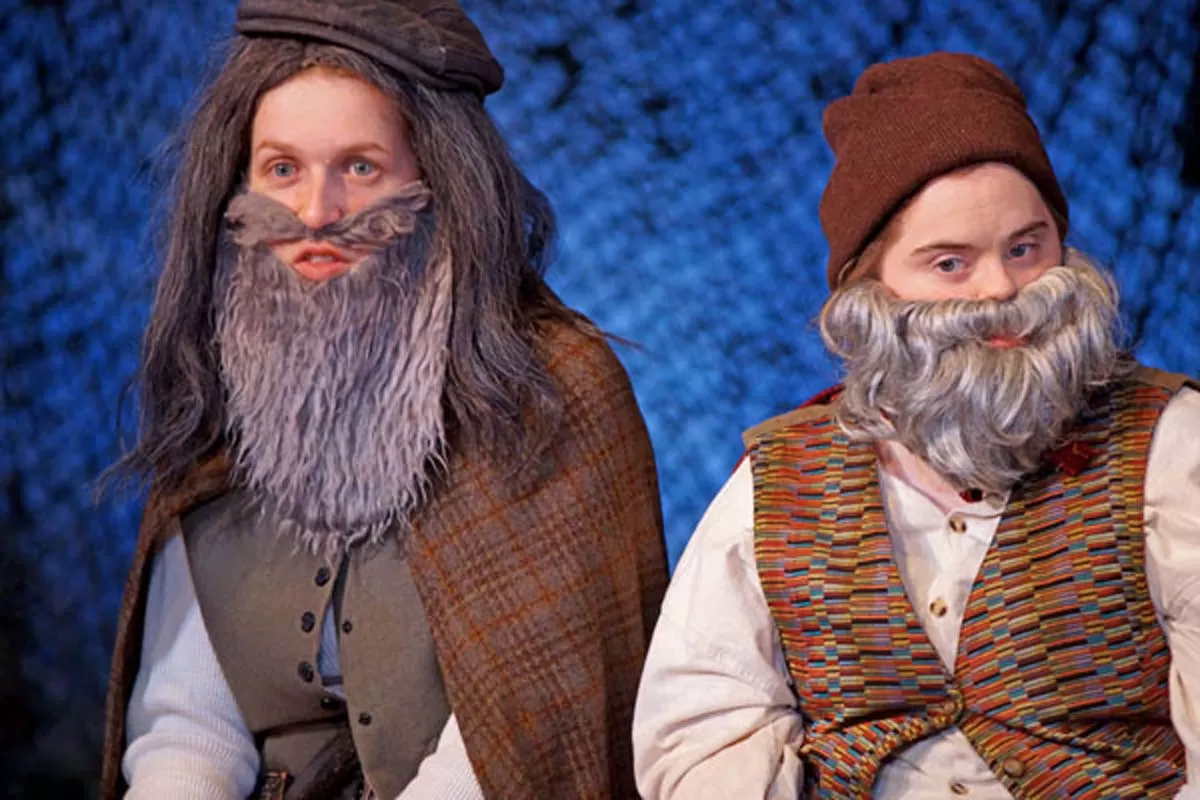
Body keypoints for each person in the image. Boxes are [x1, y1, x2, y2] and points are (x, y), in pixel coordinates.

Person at [98, 2, 668, 798]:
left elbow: (532, 732)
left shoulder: (550, 388)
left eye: (360, 168)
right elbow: (188, 726)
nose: (314, 212)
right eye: (282, 169)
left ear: (438, 183)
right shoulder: (222, 388)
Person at [632, 51, 1200, 799]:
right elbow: (706, 726)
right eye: (950, 264)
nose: (999, 289)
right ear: (871, 291)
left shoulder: (1166, 448)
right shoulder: (783, 481)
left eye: (1025, 248)